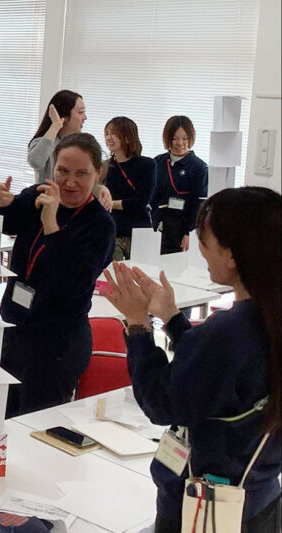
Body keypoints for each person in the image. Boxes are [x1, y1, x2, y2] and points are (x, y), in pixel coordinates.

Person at [103, 187, 281, 531]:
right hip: (260, 497)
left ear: (232, 254)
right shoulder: (264, 318)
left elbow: (162, 403)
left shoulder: (229, 330)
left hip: (205, 509)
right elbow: (220, 372)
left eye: (205, 240)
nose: (200, 249)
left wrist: (137, 324)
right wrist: (172, 318)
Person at [0, 133, 115, 416]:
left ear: (98, 173)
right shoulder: (39, 195)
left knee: (34, 427)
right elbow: (2, 220)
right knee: (1, 420)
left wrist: (52, 226)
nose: (70, 182)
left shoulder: (100, 225)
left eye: (81, 173)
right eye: (63, 171)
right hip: (17, 330)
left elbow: (74, 281)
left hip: (58, 344)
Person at [28, 90, 112, 210]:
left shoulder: (81, 144)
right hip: (48, 207)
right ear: (64, 116)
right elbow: (36, 161)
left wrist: (101, 188)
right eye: (80, 112)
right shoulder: (45, 142)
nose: (85, 117)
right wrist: (56, 125)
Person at [151, 116, 208, 254]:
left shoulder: (199, 167)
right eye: (175, 138)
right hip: (155, 228)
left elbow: (199, 204)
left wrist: (189, 233)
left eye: (185, 138)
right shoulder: (157, 162)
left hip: (179, 231)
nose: (180, 143)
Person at [103, 117, 157, 260]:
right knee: (113, 272)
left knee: (142, 271)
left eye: (113, 133)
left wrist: (111, 204)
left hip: (140, 232)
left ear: (128, 137)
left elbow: (141, 201)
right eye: (106, 133)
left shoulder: (147, 165)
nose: (109, 138)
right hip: (113, 232)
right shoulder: (104, 167)